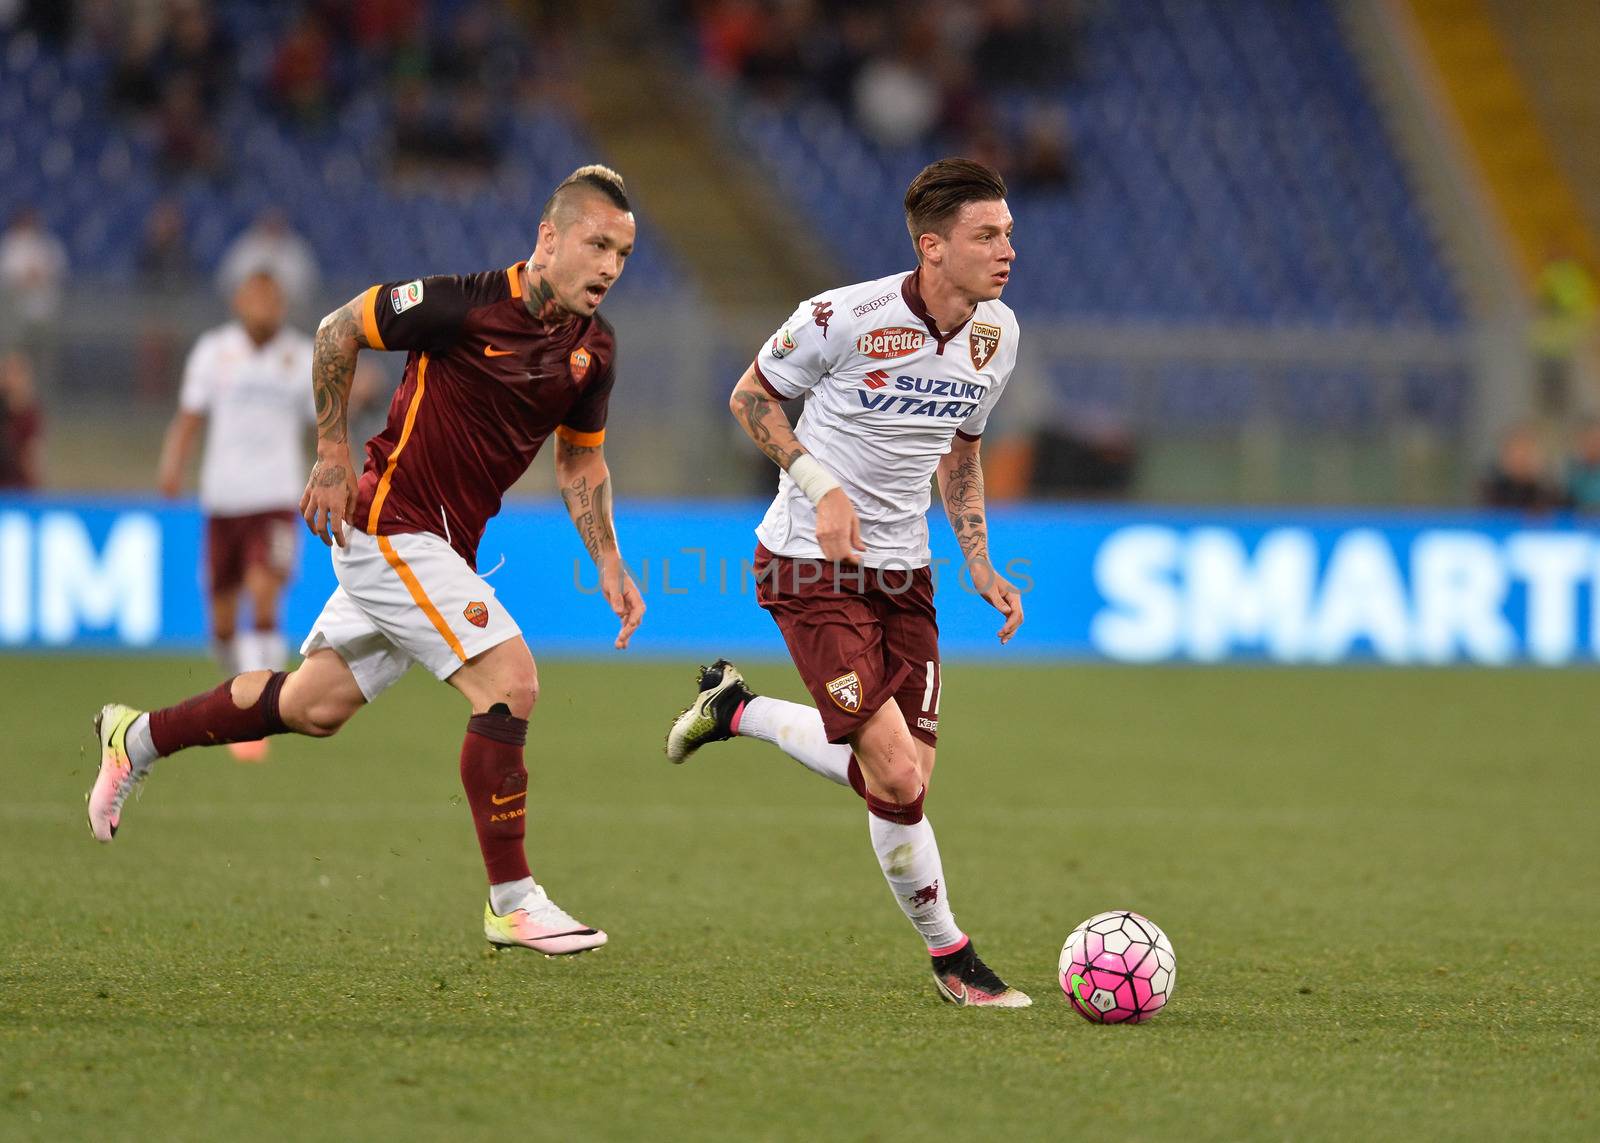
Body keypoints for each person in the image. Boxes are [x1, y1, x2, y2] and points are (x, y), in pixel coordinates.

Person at [89, 165, 646, 957]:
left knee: (313, 707)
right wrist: (330, 450)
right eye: (597, 245)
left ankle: (135, 737)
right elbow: (334, 330)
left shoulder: (595, 350)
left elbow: (580, 462)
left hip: (443, 545)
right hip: (390, 525)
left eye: (622, 254)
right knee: (511, 680)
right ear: (549, 238)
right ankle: (513, 900)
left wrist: (608, 560)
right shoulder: (461, 302)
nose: (608, 268)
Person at [666, 158, 1029, 1006]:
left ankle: (737, 709)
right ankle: (954, 961)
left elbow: (963, 449)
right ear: (932, 248)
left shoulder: (996, 334)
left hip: (906, 570)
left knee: (899, 778)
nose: (1007, 248)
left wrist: (977, 557)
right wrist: (818, 484)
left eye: (1009, 231)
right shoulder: (840, 316)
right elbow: (751, 398)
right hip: (808, 560)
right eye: (987, 235)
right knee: (897, 779)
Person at [156, 270, 315, 762]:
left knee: (264, 594)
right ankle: (236, 694)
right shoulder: (213, 351)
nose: (265, 305)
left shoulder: (302, 356)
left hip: (276, 498)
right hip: (223, 499)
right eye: (257, 295)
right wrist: (173, 464)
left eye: (274, 297)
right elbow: (189, 418)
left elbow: (324, 425)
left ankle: (256, 719)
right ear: (241, 300)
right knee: (223, 622)